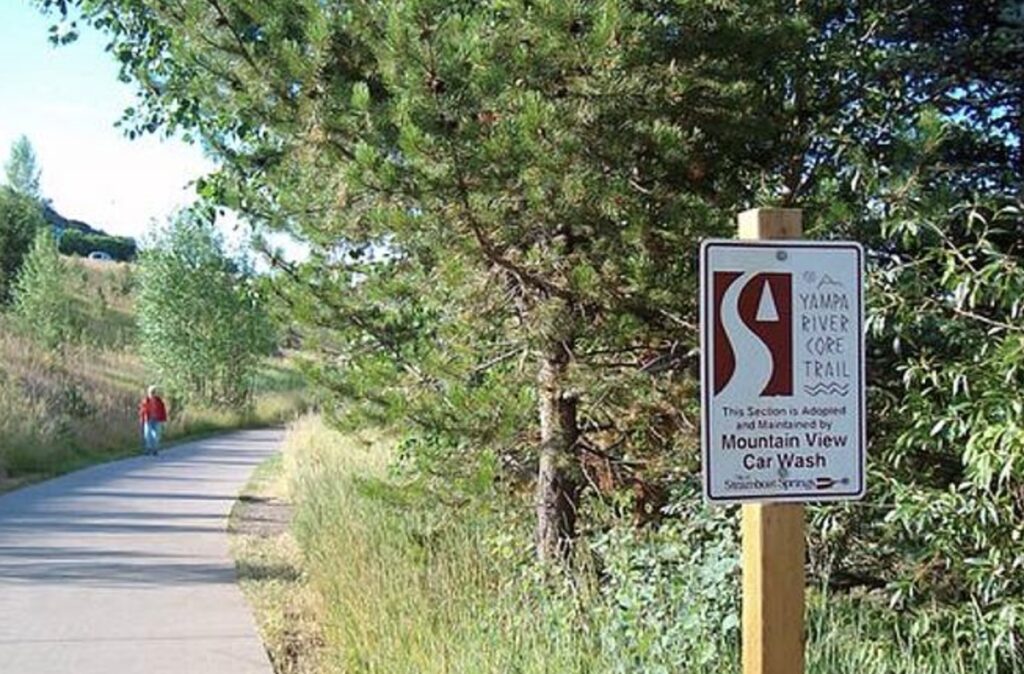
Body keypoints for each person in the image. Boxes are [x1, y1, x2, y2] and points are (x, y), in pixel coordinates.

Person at [138, 386, 168, 456]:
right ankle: (148, 448)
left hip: (157, 419)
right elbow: (142, 411)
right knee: (147, 435)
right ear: (148, 393)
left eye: (153, 392)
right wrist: (141, 419)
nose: (152, 394)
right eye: (151, 392)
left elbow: (163, 410)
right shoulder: (145, 401)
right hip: (148, 419)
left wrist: (164, 419)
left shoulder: (159, 401)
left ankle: (155, 449)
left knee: (156, 435)